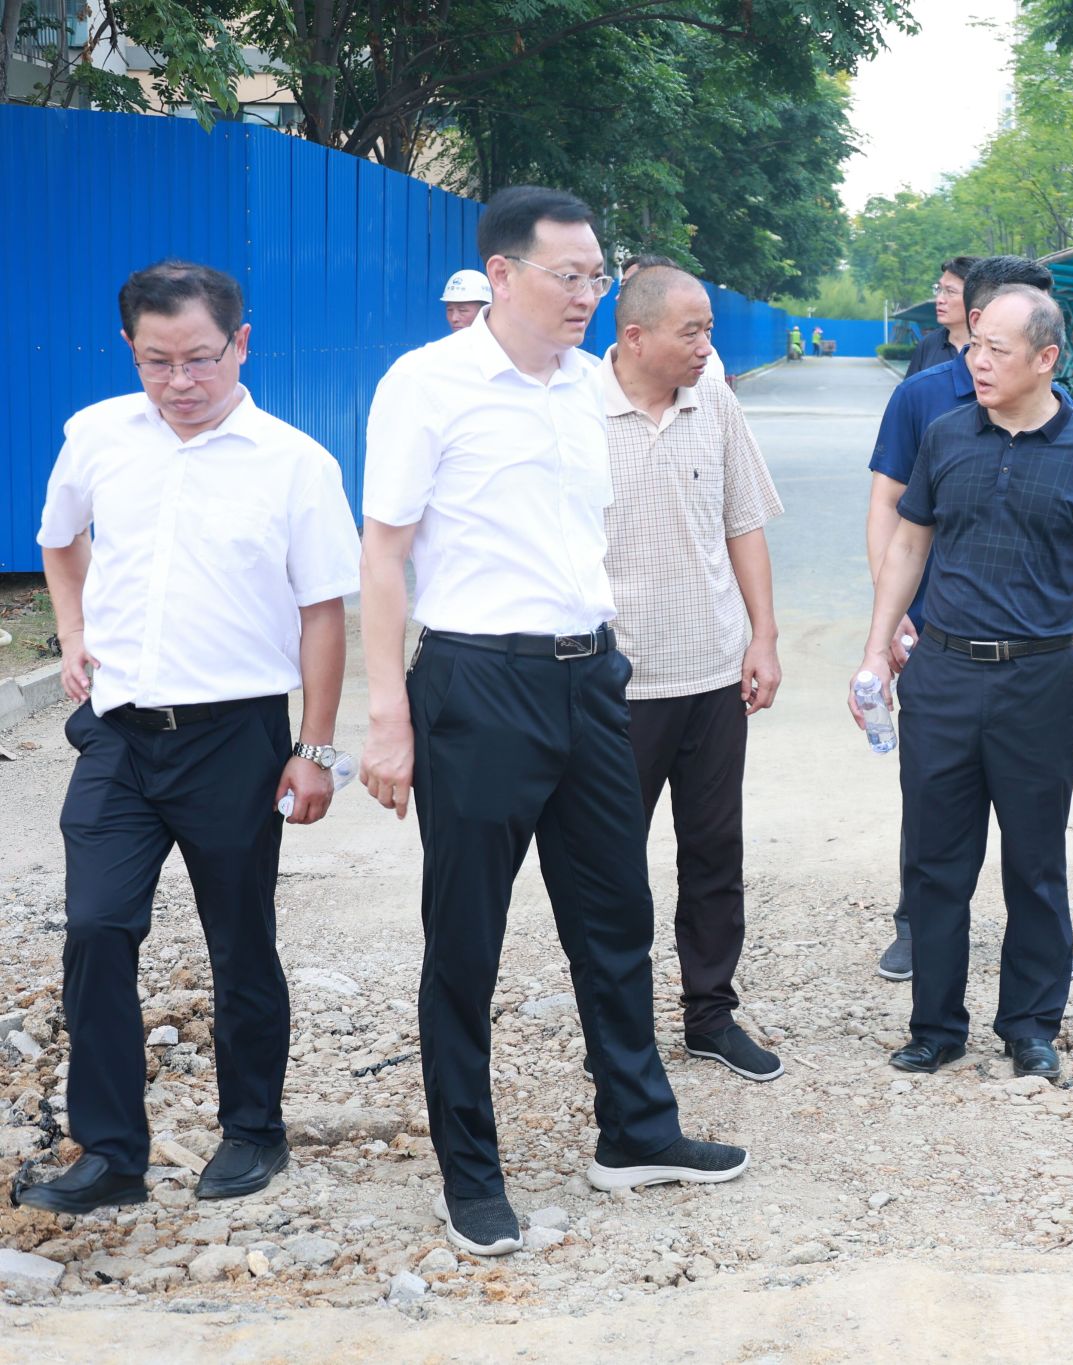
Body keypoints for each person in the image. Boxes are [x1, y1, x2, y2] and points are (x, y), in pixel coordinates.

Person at [358, 186, 746, 1258]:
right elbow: (383, 556)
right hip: (478, 683)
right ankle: (470, 1173)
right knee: (466, 938)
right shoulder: (426, 384)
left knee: (615, 916)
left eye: (596, 277)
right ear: (502, 275)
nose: (586, 295)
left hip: (588, 678)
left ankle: (636, 1130)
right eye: (567, 276)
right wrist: (387, 715)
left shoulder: (586, 387)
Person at [14, 260, 361, 1216]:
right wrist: (74, 634)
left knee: (240, 940)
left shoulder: (294, 463)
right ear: (130, 348)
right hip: (119, 736)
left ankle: (253, 1129)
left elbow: (322, 614)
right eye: (157, 361)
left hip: (235, 739)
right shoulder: (98, 435)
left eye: (201, 358)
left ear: (241, 343)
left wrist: (315, 749)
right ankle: (110, 1154)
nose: (180, 381)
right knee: (96, 929)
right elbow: (59, 538)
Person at [853, 284, 1073, 1079]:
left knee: (1035, 862)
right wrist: (877, 650)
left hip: (1039, 681)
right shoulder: (947, 435)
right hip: (944, 674)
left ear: (1046, 359)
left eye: (996, 350)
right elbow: (908, 547)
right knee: (935, 860)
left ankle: (1030, 1025)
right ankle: (935, 1026)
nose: (977, 361)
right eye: (975, 345)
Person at [864, 255, 1073, 984]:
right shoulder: (924, 399)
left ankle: (1041, 955)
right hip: (939, 629)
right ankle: (916, 929)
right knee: (935, 806)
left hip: (1027, 641)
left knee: (1033, 815)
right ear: (978, 317)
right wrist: (893, 618)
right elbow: (889, 508)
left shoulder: (1059, 404)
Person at [599, 265, 786, 1083]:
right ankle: (618, 1028)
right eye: (693, 331)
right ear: (635, 337)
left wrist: (763, 636)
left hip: (712, 673)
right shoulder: (575, 409)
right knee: (610, 864)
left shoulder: (715, 399)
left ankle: (711, 1014)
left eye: (710, 327)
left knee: (714, 852)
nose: (709, 345)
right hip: (615, 684)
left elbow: (744, 522)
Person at [622, 254, 726, 390]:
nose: (621, 297)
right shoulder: (598, 380)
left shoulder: (708, 383)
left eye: (707, 329)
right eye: (622, 288)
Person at [906, 256, 976, 376]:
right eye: (939, 289)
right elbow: (912, 387)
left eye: (950, 291)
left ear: (976, 297)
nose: (939, 299)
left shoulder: (994, 349)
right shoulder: (928, 345)